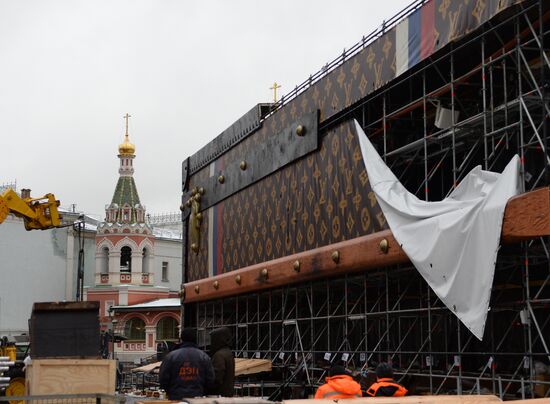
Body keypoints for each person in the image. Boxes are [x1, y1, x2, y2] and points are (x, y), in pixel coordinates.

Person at [159, 328, 215, 400]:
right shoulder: (204, 356)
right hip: (197, 398)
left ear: (182, 339)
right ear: (196, 339)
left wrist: (169, 392)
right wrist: (203, 393)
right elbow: (210, 379)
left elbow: (163, 378)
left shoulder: (171, 356)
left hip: (176, 397)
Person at [208, 327, 235, 397]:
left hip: (220, 394)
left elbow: (217, 377)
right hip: (227, 393)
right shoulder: (228, 352)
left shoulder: (219, 355)